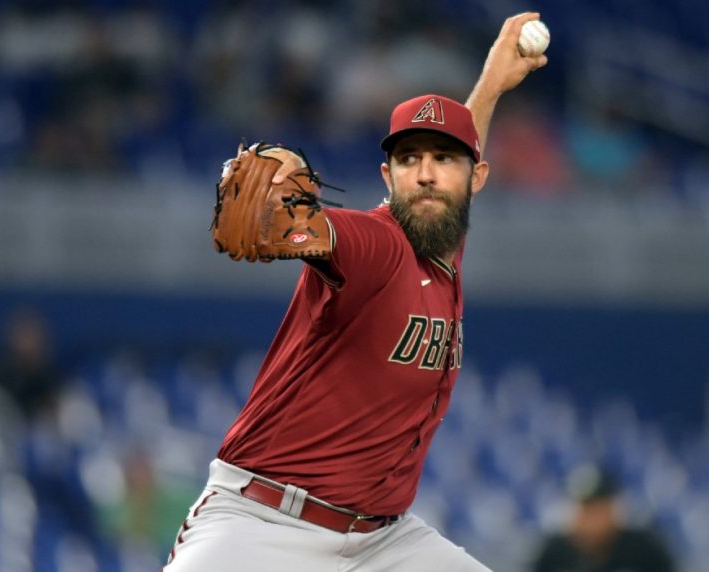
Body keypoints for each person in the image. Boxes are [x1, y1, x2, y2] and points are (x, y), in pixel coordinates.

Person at [163, 13, 547, 572]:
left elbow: (453, 179)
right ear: (388, 178)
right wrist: (291, 227)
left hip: (384, 545)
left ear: (476, 179)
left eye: (444, 159)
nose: (426, 174)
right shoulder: (378, 244)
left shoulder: (443, 243)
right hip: (265, 525)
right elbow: (325, 235)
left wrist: (489, 85)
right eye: (409, 159)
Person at [530, 465, 675, 572]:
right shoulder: (555, 552)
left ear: (612, 509)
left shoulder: (643, 548)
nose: (590, 519)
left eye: (597, 509)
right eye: (585, 509)